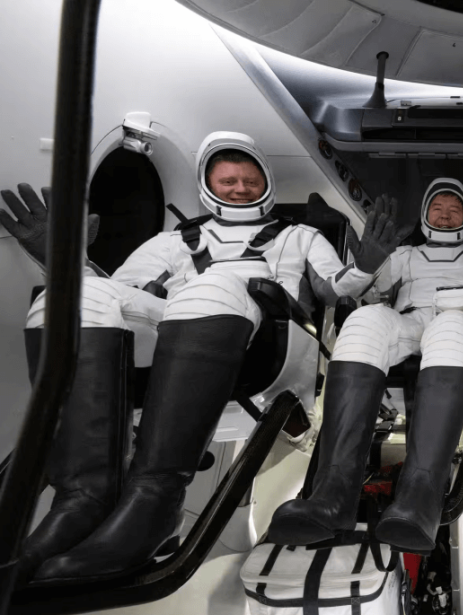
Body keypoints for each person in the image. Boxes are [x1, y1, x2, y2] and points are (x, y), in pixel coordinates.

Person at [1, 131, 371, 581]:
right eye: (227, 181)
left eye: (249, 180)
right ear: (208, 185)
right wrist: (67, 261)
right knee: (70, 296)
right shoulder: (171, 243)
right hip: (179, 332)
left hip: (273, 343)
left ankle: (157, 500)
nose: (239, 188)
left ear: (265, 182)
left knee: (210, 286)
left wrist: (367, 263)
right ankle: (83, 499)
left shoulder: (300, 236)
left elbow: (335, 287)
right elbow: (120, 294)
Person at [267, 177, 463, 554]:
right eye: (438, 209)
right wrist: (369, 260)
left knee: (449, 325)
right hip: (409, 322)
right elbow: (364, 292)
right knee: (364, 321)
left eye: (454, 211)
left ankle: (420, 498)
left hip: (458, 321)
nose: (445, 217)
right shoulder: (405, 254)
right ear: (425, 215)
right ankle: (332, 493)